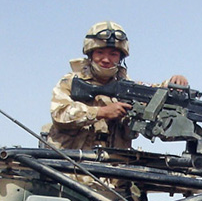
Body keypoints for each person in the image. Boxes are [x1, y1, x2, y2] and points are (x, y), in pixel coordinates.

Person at [41, 20, 188, 150]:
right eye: (100, 52)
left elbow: (152, 93)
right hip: (70, 164)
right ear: (90, 54)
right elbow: (59, 113)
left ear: (120, 57)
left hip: (113, 167)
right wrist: (101, 112)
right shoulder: (71, 81)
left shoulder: (127, 87)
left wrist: (172, 84)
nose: (106, 59)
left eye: (113, 54)